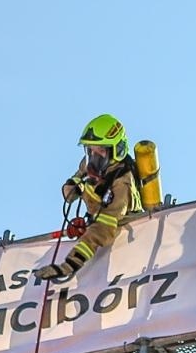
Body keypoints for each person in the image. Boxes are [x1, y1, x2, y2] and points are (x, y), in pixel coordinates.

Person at [34, 114, 144, 282]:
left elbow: (102, 229)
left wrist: (69, 265)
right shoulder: (91, 164)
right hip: (96, 233)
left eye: (101, 151)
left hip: (123, 246)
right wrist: (75, 187)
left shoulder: (123, 183)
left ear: (117, 150)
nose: (94, 157)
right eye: (90, 150)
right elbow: (71, 189)